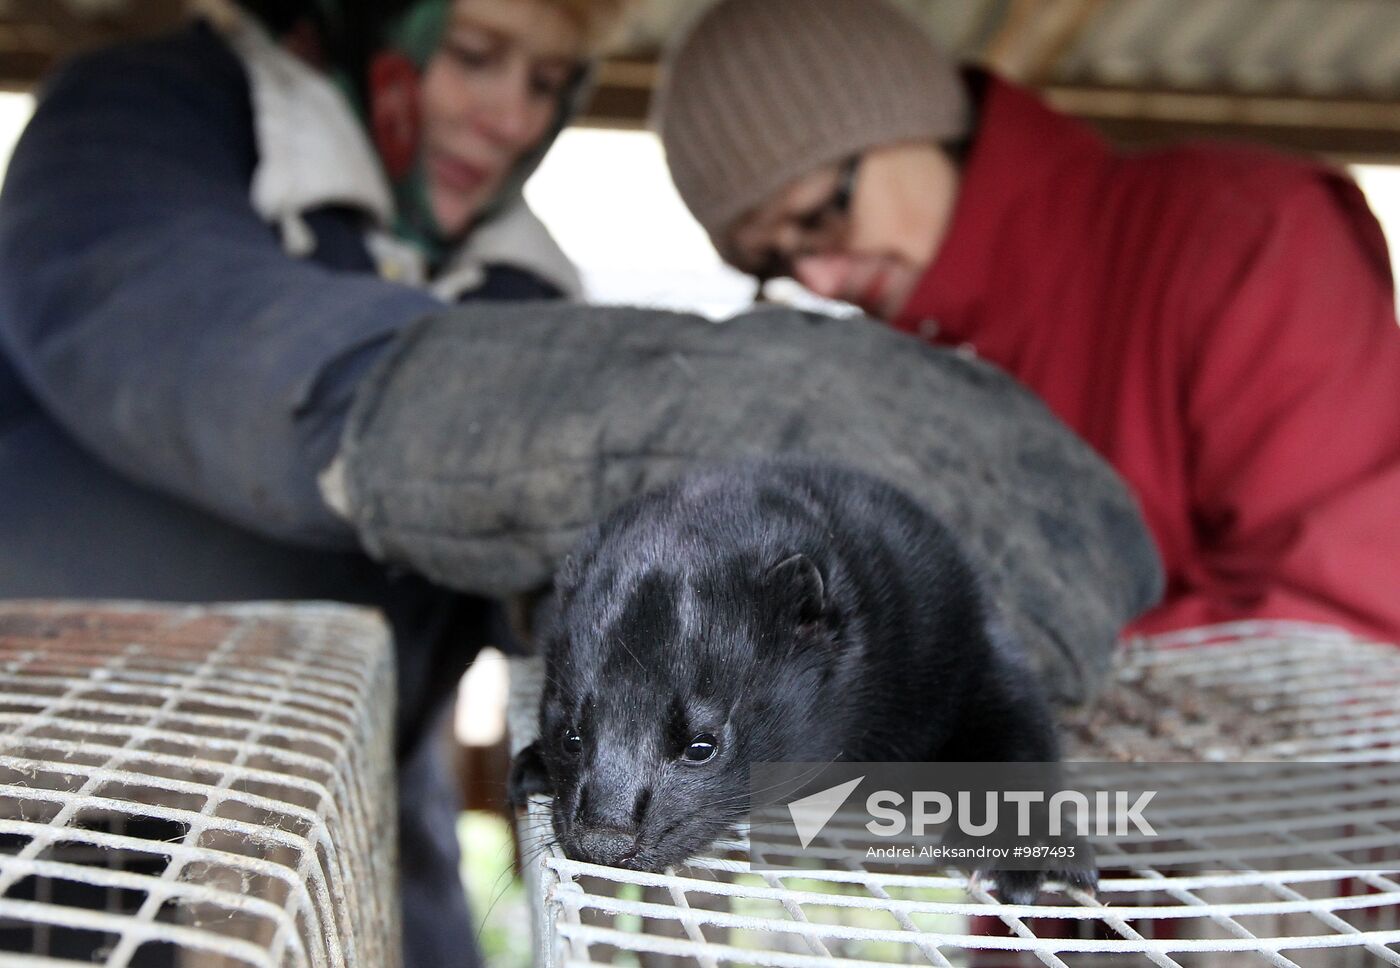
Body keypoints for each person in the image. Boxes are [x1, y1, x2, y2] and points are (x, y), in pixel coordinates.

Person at [0, 0, 1161, 956]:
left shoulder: (517, 289)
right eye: (475, 52)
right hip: (52, 785)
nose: (513, 115)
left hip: (337, 812)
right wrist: (608, 416)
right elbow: (138, 314)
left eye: (552, 78)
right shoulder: (156, 111)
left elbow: (572, 626)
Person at [655, 0, 1400, 646]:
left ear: (913, 118)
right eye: (778, 265)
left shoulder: (1248, 237)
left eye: (821, 215)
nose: (819, 279)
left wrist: (1015, 705)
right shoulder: (871, 376)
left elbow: (1344, 608)